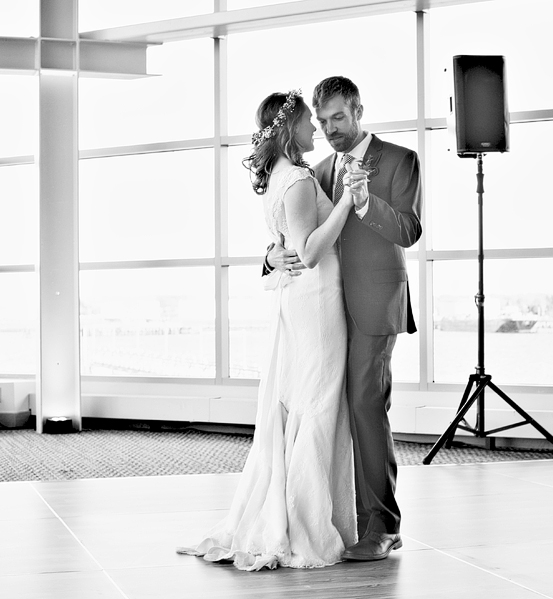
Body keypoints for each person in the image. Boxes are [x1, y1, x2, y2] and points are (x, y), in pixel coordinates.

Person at [177, 90, 358, 570]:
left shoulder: (281, 176)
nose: (315, 129)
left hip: (299, 299)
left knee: (304, 402)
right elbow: (312, 250)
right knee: (318, 404)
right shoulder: (298, 179)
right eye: (307, 122)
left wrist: (270, 254)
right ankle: (307, 524)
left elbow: (285, 246)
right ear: (288, 127)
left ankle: (308, 512)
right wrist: (346, 202)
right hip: (315, 303)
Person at [264, 76, 423, 561]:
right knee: (334, 409)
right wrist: (271, 256)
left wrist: (365, 202)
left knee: (364, 404)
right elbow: (300, 231)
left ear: (358, 111)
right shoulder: (316, 168)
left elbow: (410, 230)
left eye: (339, 117)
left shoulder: (400, 160)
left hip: (375, 305)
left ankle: (384, 525)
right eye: (322, 120)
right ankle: (346, 519)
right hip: (325, 311)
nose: (330, 129)